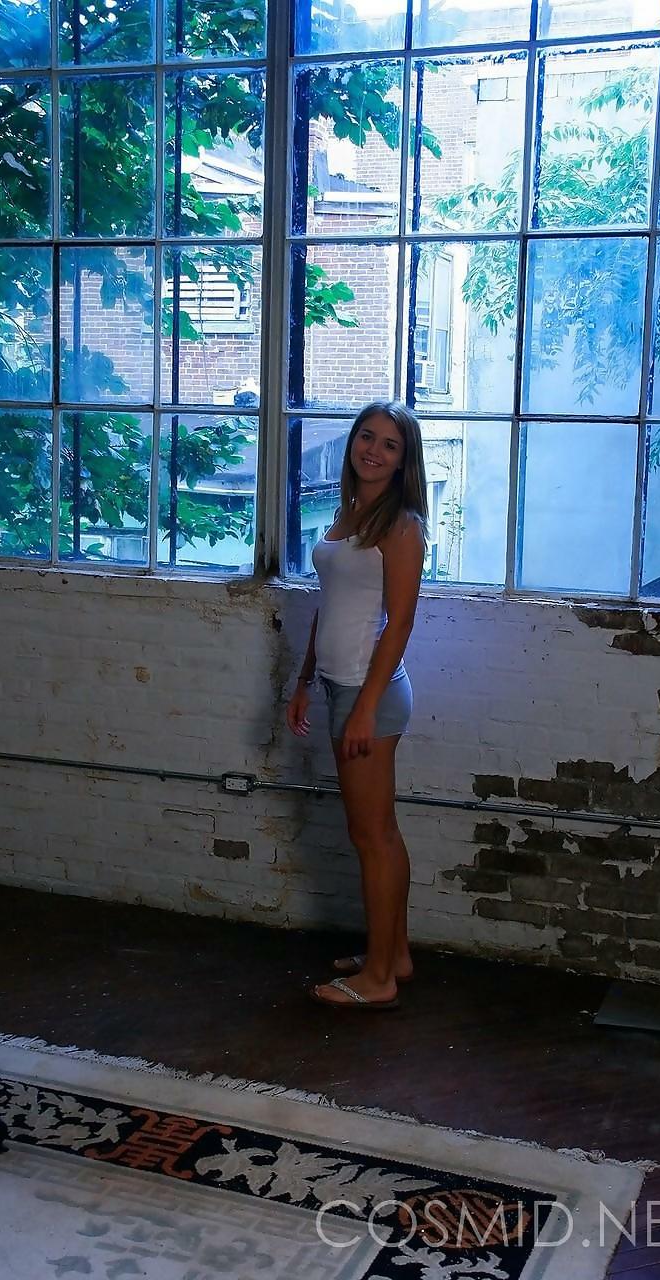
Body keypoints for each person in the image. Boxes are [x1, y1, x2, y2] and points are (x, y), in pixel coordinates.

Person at [286, 400, 427, 1011]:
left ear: (403, 461)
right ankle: (394, 955)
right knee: (379, 833)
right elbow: (331, 604)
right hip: (338, 686)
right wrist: (303, 678)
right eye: (366, 437)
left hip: (372, 694)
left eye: (389, 445)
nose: (373, 450)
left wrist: (365, 707)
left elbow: (400, 623)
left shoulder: (402, 526)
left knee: (372, 837)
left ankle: (379, 978)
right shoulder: (347, 513)